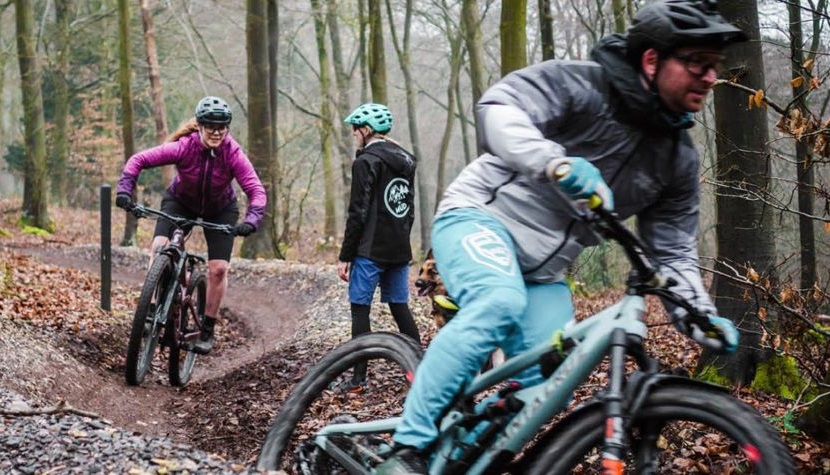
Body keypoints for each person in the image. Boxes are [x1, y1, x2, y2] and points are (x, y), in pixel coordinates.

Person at [377, 0, 746, 472]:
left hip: (546, 271)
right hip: (479, 217)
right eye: (697, 63)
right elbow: (499, 108)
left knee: (546, 383)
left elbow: (672, 250)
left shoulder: (677, 160)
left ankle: (460, 456)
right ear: (652, 60)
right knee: (497, 303)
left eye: (714, 67)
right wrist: (554, 161)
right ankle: (407, 447)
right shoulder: (581, 83)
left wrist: (700, 317)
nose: (710, 78)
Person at [115, 96, 266, 355]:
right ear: (199, 126)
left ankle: (207, 328)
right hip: (180, 202)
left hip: (220, 210)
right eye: (211, 127)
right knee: (160, 247)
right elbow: (137, 160)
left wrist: (251, 221)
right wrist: (125, 192)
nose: (217, 133)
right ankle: (151, 308)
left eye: (222, 127)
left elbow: (256, 190)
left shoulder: (233, 154)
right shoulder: (184, 147)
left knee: (218, 270)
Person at [337, 103, 421, 393]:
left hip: (370, 250)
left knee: (360, 311)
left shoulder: (365, 161)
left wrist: (346, 255)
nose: (353, 135)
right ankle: (420, 372)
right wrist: (402, 238)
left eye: (355, 129)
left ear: (366, 130)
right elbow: (407, 209)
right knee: (400, 307)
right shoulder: (407, 160)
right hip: (399, 248)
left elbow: (358, 211)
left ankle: (358, 379)